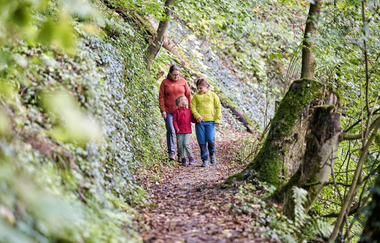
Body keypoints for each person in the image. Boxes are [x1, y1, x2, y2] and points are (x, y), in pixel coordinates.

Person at [159, 65, 191, 161]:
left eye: (177, 75)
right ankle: (171, 152)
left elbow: (188, 95)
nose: (176, 77)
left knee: (180, 132)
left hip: (181, 111)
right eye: (174, 75)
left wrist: (190, 108)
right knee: (171, 130)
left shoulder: (183, 82)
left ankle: (180, 154)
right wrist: (163, 109)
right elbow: (161, 96)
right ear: (169, 73)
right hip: (169, 111)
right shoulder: (164, 82)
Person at [191, 78, 221, 167]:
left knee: (210, 139)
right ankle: (205, 160)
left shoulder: (213, 95)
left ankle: (212, 154)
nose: (199, 90)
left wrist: (217, 119)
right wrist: (197, 116)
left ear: (207, 86)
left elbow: (218, 107)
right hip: (199, 122)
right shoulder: (196, 97)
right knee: (201, 141)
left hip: (210, 121)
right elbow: (193, 107)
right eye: (198, 88)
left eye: (201, 88)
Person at [173, 95, 196, 166]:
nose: (186, 101)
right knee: (180, 145)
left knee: (186, 143)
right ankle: (183, 158)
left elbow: (192, 119)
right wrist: (176, 128)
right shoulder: (176, 112)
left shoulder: (189, 111)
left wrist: (198, 120)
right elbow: (174, 121)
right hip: (180, 131)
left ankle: (190, 157)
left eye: (186, 100)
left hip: (187, 131)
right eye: (184, 100)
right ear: (179, 103)